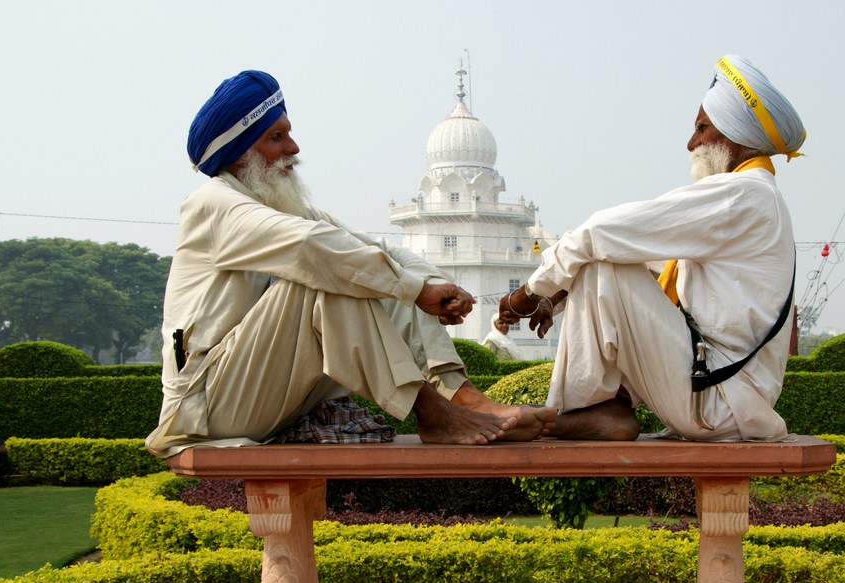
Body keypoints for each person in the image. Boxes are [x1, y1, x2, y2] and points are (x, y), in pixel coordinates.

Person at [146, 70, 555, 458]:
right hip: (207, 408)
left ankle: (462, 396)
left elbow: (374, 249)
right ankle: (432, 411)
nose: (293, 148)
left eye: (288, 134)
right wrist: (415, 289)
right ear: (240, 154)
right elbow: (315, 251)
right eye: (276, 137)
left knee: (369, 267)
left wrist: (436, 285)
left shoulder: (282, 207)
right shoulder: (212, 205)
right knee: (329, 275)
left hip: (266, 397)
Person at [499, 55, 805, 443]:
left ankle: (580, 413)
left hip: (719, 401)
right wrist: (555, 297)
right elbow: (645, 258)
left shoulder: (742, 195)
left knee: (599, 261)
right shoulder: (756, 198)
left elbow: (598, 232)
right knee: (603, 259)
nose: (691, 143)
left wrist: (527, 294)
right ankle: (596, 410)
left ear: (733, 135)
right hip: (724, 395)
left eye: (701, 128)